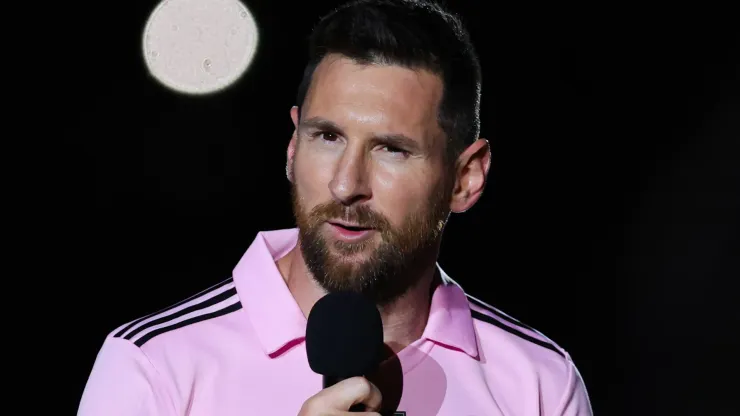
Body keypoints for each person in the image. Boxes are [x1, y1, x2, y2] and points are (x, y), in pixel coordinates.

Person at [78, 0, 593, 414]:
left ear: (466, 178)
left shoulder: (539, 385)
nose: (346, 185)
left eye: (391, 149)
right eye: (327, 136)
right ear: (292, 147)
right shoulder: (155, 366)